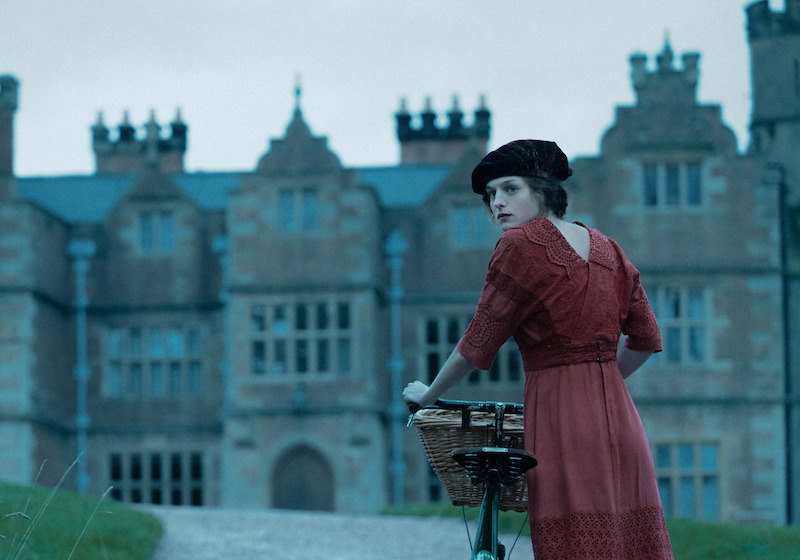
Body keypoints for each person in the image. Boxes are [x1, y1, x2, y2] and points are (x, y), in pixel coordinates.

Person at [403, 140, 674, 559]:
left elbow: (478, 341)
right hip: (622, 421)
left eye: (511, 189)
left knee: (575, 546)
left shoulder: (519, 245)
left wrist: (428, 396)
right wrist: (598, 385)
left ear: (542, 190)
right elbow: (646, 341)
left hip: (561, 417)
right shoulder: (608, 248)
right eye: (491, 194)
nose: (498, 203)